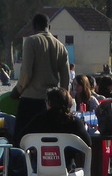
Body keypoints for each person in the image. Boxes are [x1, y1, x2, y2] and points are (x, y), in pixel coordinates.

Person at [16, 87, 90, 176]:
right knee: (59, 161)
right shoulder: (73, 121)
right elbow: (88, 144)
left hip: (40, 164)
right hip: (66, 165)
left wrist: (33, 149)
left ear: (49, 103)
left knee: (48, 159)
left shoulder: (39, 118)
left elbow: (21, 139)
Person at [12, 13, 71, 141]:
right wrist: (63, 100)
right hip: (52, 102)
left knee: (22, 139)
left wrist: (18, 90)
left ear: (34, 27)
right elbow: (66, 79)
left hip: (31, 99)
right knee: (47, 140)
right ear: (49, 26)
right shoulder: (61, 47)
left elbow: (26, 72)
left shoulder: (31, 41)